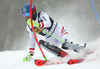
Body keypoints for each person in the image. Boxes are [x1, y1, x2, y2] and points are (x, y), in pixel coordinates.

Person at [22, 3, 86, 62]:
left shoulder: (42, 15)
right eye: (24, 15)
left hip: (59, 32)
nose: (26, 17)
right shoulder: (29, 27)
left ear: (33, 12)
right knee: (42, 42)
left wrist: (37, 24)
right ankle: (64, 55)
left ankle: (82, 49)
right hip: (51, 38)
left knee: (65, 45)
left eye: (28, 14)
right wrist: (31, 53)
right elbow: (32, 39)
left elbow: (48, 23)